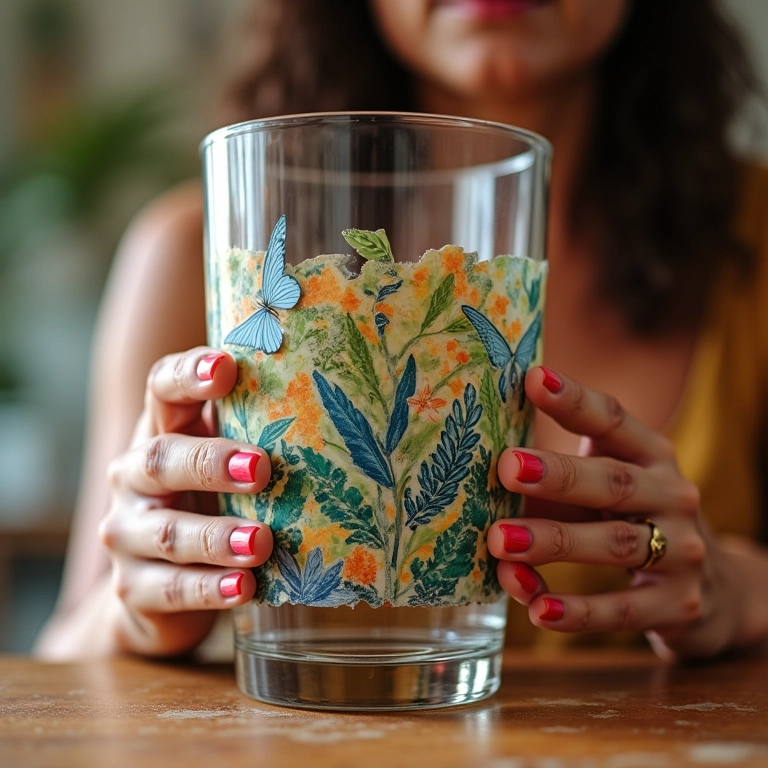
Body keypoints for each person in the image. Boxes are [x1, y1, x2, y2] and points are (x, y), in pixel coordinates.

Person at [35, 0, 768, 661]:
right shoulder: (199, 254)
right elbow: (59, 656)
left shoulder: (753, 241)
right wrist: (141, 613)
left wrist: (736, 587)